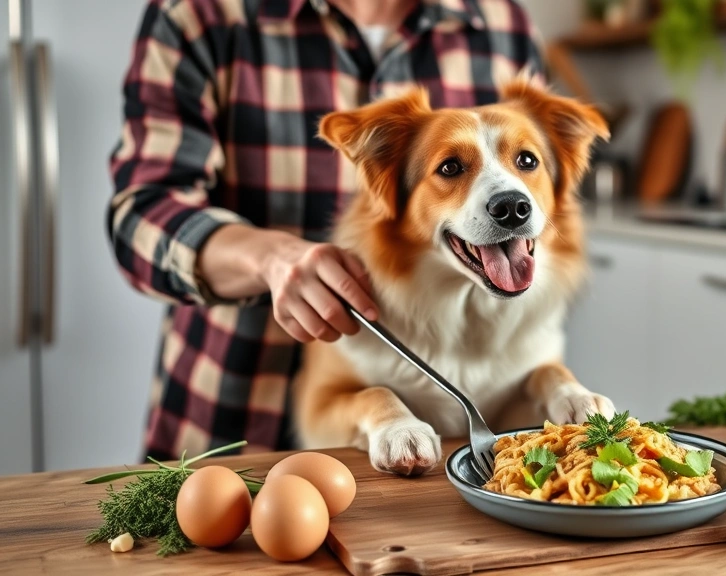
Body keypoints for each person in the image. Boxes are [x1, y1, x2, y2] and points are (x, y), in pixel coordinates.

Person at [106, 0, 545, 460]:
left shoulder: (502, 26)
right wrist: (269, 259)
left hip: (437, 459)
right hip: (228, 430)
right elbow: (142, 213)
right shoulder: (200, 14)